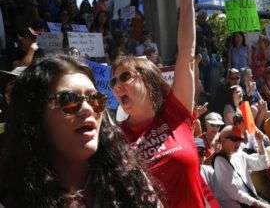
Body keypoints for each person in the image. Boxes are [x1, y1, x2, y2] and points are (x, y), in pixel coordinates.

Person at [0, 55, 160, 207]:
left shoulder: (128, 177)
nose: (88, 109)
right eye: (68, 100)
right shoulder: (11, 197)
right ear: (35, 114)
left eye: (95, 99)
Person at [110, 0, 205, 207]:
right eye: (113, 82)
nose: (117, 86)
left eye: (124, 77)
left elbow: (186, 53)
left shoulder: (176, 113)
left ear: (147, 78)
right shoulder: (115, 139)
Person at [213, 125, 270, 208]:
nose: (238, 143)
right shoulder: (219, 161)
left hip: (252, 202)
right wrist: (259, 204)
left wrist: (260, 142)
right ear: (223, 140)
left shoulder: (239, 154)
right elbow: (234, 192)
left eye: (240, 139)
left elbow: (263, 164)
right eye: (234, 139)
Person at [195, 138, 220, 208]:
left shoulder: (209, 170)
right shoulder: (184, 175)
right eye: (197, 153)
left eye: (202, 153)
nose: (201, 156)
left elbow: (220, 193)